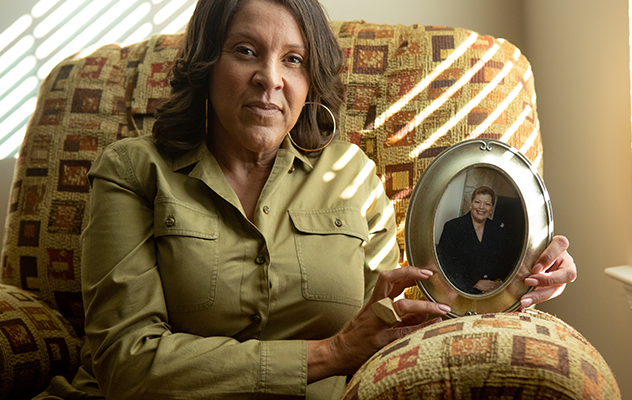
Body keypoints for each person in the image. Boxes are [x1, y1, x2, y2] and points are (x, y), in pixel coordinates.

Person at [35, 0, 577, 399]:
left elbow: (410, 314)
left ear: (311, 79)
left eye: (293, 60)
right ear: (206, 63)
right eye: (245, 51)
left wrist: (515, 277)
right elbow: (126, 364)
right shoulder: (135, 169)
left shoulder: (349, 176)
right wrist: (329, 355)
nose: (268, 79)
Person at [436, 186, 520, 294]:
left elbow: (504, 261)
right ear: (471, 204)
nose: (481, 207)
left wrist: (498, 282)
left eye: (487, 204)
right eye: (477, 202)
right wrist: (473, 282)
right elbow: (444, 263)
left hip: (492, 293)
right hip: (461, 291)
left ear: (491, 208)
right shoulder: (452, 227)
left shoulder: (498, 229)